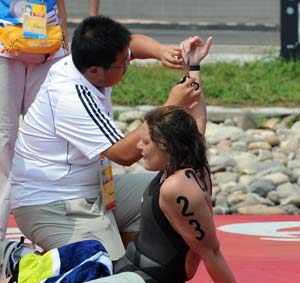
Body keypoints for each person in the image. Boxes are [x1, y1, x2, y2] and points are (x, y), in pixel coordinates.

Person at [0, 105, 289, 283]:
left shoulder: (178, 189)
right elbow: (196, 121)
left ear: (168, 146)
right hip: (124, 266)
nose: (139, 147)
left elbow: (210, 250)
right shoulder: (189, 159)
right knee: (34, 266)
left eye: (146, 141)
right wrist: (193, 68)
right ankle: (14, 257)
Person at [9, 16, 207, 262]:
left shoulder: (87, 60)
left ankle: (130, 260)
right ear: (95, 71)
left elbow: (132, 44)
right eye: (123, 63)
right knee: (103, 279)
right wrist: (170, 105)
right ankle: (18, 260)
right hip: (55, 204)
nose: (128, 64)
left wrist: (161, 51)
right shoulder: (71, 96)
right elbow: (124, 154)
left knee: (181, 189)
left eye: (127, 58)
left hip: (94, 190)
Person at [0, 0, 68, 243]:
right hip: (4, 41)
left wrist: (64, 45)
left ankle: (46, 229)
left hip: (48, 45)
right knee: (4, 138)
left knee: (44, 138)